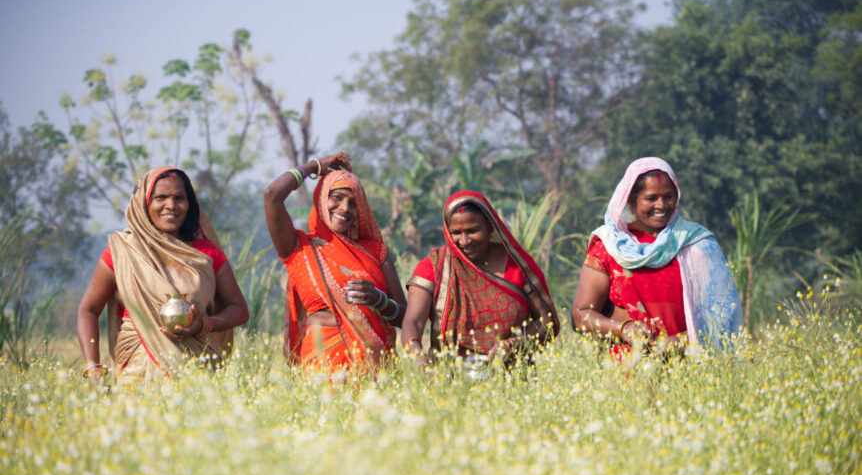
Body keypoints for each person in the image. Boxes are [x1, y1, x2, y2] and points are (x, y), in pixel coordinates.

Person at [77, 167, 249, 383]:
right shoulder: (123, 251)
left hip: (197, 374)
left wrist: (204, 325)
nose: (171, 205)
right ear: (144, 203)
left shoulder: (205, 254)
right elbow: (89, 309)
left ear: (190, 204)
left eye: (179, 198)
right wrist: (93, 368)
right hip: (136, 375)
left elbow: (239, 309)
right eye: (161, 197)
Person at [571, 157, 742, 354]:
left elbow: (723, 315)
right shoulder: (609, 247)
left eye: (668, 197)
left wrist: (685, 340)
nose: (661, 205)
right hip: (625, 374)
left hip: (690, 370)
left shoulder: (697, 244)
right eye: (651, 198)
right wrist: (623, 328)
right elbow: (580, 315)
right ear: (631, 201)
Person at [264, 152, 407, 374]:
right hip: (322, 367)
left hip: (376, 370)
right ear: (321, 198)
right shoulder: (300, 248)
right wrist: (315, 166)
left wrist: (379, 301)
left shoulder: (376, 252)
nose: (344, 208)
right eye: (337, 197)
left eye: (353, 203)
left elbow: (406, 317)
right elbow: (272, 195)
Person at [401, 190, 559, 366]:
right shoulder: (434, 266)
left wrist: (514, 345)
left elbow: (547, 321)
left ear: (490, 226)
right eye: (456, 233)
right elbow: (413, 320)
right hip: (449, 377)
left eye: (472, 231)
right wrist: (416, 353)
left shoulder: (517, 265)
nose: (464, 241)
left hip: (513, 377)